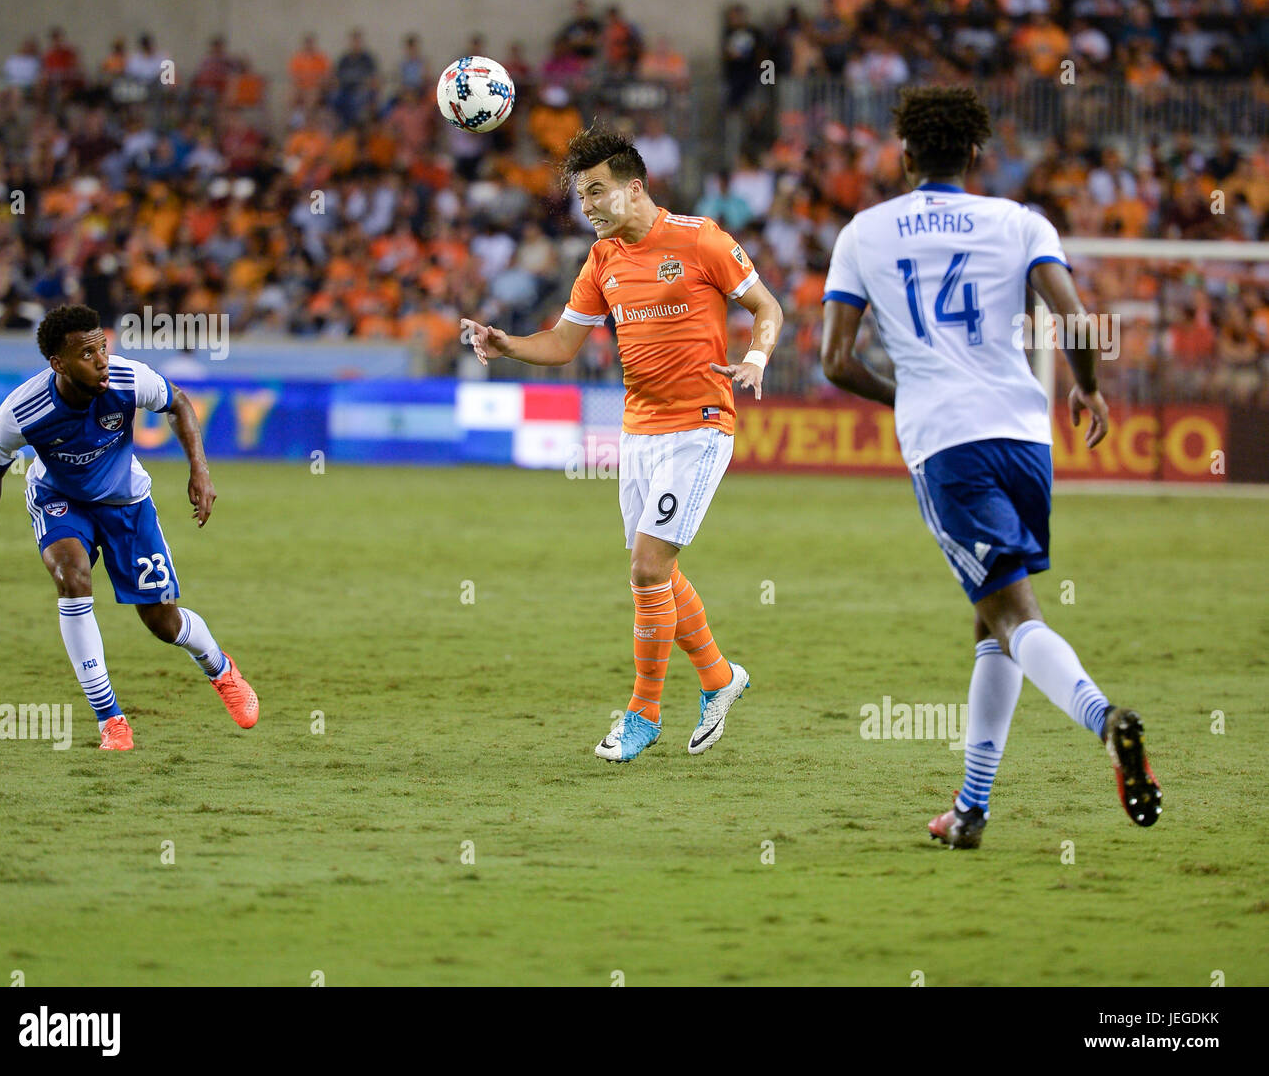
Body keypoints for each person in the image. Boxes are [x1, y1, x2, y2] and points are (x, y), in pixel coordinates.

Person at [820, 86, 1161, 848]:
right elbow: (1075, 317)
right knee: (993, 616)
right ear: (975, 154)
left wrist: (906, 389)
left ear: (904, 153)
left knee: (1013, 614)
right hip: (1024, 435)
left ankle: (1106, 720)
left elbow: (836, 360)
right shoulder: (1019, 221)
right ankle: (970, 809)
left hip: (948, 441)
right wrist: (1090, 388)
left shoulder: (864, 232)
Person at [461, 128, 784, 762]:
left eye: (597, 192)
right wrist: (506, 345)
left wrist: (758, 358)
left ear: (635, 187)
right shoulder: (603, 259)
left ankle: (643, 711)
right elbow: (560, 344)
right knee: (653, 574)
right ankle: (721, 679)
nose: (588, 207)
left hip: (699, 426)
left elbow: (766, 305)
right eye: (582, 197)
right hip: (638, 432)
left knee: (645, 569)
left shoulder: (701, 239)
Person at [0, 305, 259, 750]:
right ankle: (111, 720)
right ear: (58, 364)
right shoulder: (22, 410)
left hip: (126, 501)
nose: (102, 359)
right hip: (59, 499)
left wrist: (199, 470)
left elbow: (178, 402)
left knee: (162, 622)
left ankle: (220, 669)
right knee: (73, 579)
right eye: (88, 354)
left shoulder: (128, 378)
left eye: (103, 347)